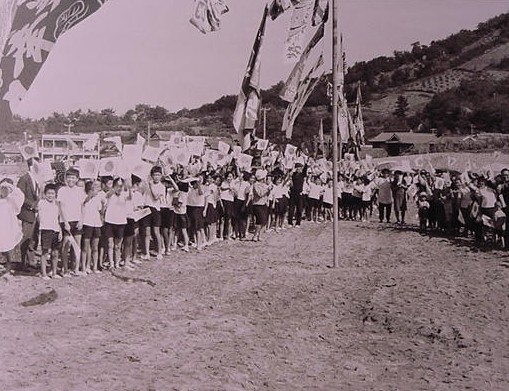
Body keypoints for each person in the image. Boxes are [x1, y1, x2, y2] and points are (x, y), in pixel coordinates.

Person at [58, 168, 85, 275]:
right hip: (66, 222)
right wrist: (65, 222)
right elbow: (60, 208)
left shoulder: (79, 190)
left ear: (77, 179)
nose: (71, 180)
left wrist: (81, 221)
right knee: (66, 245)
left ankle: (76, 268)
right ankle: (65, 269)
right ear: (65, 178)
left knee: (77, 246)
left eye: (73, 178)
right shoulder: (62, 190)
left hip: (77, 221)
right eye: (69, 177)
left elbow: (83, 206)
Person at [16, 158, 40, 271]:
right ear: (31, 166)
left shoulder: (38, 179)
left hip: (36, 214)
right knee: (25, 238)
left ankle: (31, 261)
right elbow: (20, 196)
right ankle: (21, 263)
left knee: (34, 238)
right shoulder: (24, 179)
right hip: (27, 213)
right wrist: (32, 205)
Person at [104, 177, 132, 269]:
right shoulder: (110, 194)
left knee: (118, 245)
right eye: (117, 186)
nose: (119, 188)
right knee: (110, 244)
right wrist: (115, 186)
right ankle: (111, 263)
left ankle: (117, 262)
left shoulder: (124, 194)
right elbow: (108, 195)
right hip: (110, 221)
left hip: (121, 222)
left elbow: (130, 197)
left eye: (121, 186)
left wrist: (129, 187)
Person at [38, 184, 63, 279]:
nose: (50, 195)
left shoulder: (56, 205)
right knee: (45, 252)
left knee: (55, 252)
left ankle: (54, 272)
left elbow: (58, 219)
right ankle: (43, 274)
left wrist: (60, 231)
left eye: (52, 193)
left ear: (55, 194)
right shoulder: (41, 203)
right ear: (45, 194)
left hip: (55, 230)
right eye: (48, 193)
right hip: (46, 230)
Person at [140, 166, 165, 260]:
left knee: (156, 231)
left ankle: (159, 251)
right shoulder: (147, 185)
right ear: (151, 175)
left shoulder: (161, 187)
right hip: (147, 208)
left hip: (156, 209)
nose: (156, 177)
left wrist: (150, 186)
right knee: (147, 232)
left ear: (161, 176)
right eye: (155, 175)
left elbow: (155, 197)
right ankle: (146, 253)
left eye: (158, 175)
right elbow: (143, 195)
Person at [0, 179, 24, 274]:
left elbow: (20, 196)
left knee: (8, 247)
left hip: (8, 226)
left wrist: (11, 187)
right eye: (3, 188)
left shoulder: (11, 200)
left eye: (7, 188)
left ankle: (8, 268)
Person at [81, 180, 105, 274]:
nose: (97, 190)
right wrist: (91, 194)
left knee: (95, 246)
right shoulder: (84, 196)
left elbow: (101, 212)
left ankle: (94, 266)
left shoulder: (98, 198)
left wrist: (103, 205)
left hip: (97, 223)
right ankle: (84, 266)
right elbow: (84, 201)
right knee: (86, 247)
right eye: (95, 188)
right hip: (87, 223)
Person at [251, 169, 271, 241]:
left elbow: (267, 195)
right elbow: (260, 194)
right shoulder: (255, 185)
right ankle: (255, 235)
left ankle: (259, 235)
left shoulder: (265, 185)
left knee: (264, 220)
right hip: (257, 204)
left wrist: (269, 190)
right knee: (260, 220)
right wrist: (267, 189)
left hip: (264, 203)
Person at [288, 163, 306, 227]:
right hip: (292, 193)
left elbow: (305, 168)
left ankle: (298, 223)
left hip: (299, 194)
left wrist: (305, 160)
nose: (299, 169)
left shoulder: (302, 175)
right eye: (298, 168)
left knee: (299, 209)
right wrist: (293, 170)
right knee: (291, 208)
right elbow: (289, 175)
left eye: (300, 168)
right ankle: (290, 222)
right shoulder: (293, 174)